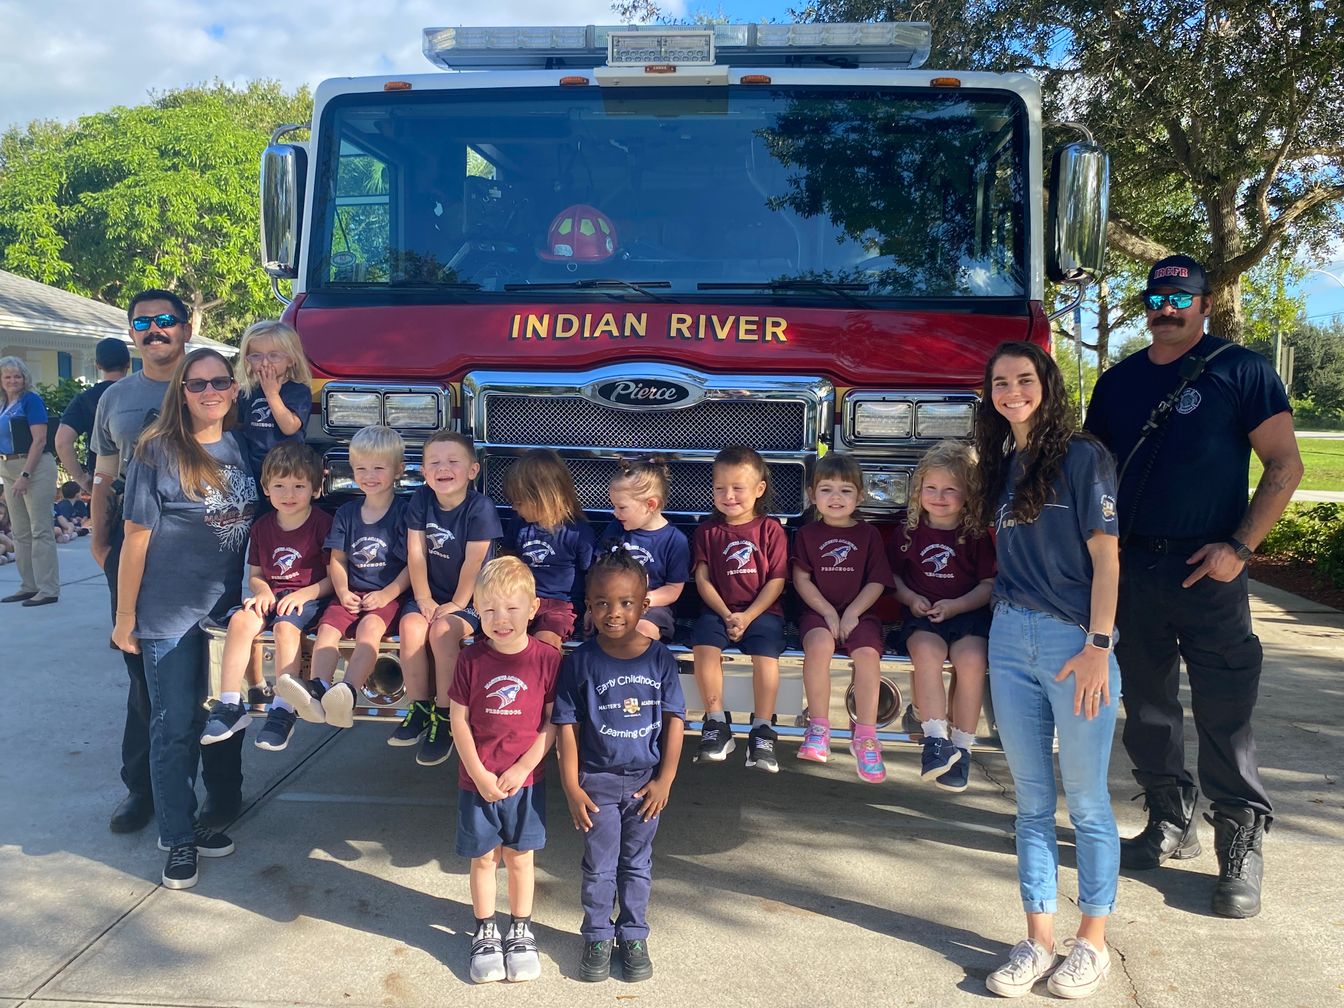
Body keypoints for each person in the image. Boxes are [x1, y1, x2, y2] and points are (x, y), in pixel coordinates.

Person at [1084, 254, 1303, 918]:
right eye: (1157, 296)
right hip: (1134, 571)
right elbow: (1091, 475)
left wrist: (1240, 549)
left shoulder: (1242, 371)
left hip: (1210, 571)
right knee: (1147, 707)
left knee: (1224, 712)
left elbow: (1285, 464)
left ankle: (1239, 843)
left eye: (1182, 297)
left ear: (1207, 303)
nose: (1168, 307)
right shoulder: (1117, 383)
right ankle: (1167, 821)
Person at [974, 341, 1121, 1000]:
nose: (1012, 392)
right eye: (1000, 383)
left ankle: (1092, 944)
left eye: (1024, 380)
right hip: (1009, 639)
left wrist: (1098, 646)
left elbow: (1108, 561)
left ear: (1047, 384)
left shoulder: (1083, 457)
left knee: (1087, 803)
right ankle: (1036, 939)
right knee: (1031, 804)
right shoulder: (1002, 464)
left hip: (1075, 646)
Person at [91, 289, 245, 834]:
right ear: (132, 332)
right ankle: (144, 792)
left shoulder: (229, 401)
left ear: (185, 326)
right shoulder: (115, 398)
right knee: (149, 688)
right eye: (143, 324)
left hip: (210, 569)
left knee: (222, 687)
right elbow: (104, 474)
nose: (155, 331)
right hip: (140, 554)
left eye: (165, 321)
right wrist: (98, 543)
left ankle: (221, 795)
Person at [111, 347, 258, 889]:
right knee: (174, 727)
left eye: (219, 381)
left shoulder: (241, 447)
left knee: (209, 720)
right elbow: (136, 539)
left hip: (222, 614)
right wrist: (125, 616)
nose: (209, 391)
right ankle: (176, 839)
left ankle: (190, 821)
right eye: (197, 384)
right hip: (169, 613)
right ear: (182, 392)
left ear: (233, 388)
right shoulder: (158, 451)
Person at [553, 549, 686, 982]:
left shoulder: (660, 659)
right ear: (588, 607)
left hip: (646, 784)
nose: (614, 613)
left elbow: (675, 721)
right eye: (603, 603)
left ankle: (632, 935)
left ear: (644, 606)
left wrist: (665, 779)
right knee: (599, 865)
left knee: (637, 863)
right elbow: (566, 726)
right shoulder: (581, 663)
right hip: (598, 784)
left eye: (626, 603)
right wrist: (572, 787)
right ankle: (595, 935)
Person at [447, 556, 561, 985]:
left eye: (512, 609)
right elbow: (458, 720)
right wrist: (477, 773)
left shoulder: (547, 660)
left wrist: (526, 766)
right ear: (477, 609)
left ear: (533, 609)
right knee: (482, 861)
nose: (501, 619)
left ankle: (520, 930)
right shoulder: (470, 660)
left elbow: (553, 722)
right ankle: (484, 932)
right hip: (478, 781)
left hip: (525, 782)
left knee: (519, 859)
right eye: (490, 609)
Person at [275, 425, 410, 733]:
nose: (369, 475)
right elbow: (337, 560)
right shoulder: (347, 512)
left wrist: (388, 594)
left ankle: (347, 691)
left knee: (369, 630)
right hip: (350, 593)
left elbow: (413, 565)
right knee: (326, 631)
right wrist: (343, 590)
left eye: (379, 467)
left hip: (386, 596)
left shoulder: (405, 512)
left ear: (398, 470)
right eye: (361, 468)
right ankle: (319, 689)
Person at [202, 443, 332, 752]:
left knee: (286, 628)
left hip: (309, 598)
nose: (289, 494)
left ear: (315, 489)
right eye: (280, 486)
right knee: (241, 620)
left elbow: (334, 579)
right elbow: (257, 574)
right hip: (274, 596)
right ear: (266, 488)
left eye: (299, 486)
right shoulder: (262, 527)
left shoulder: (323, 524)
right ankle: (231, 704)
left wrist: (304, 593)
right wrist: (261, 592)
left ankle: (282, 709)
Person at [888, 441, 995, 793]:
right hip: (923, 616)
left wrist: (957, 605)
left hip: (967, 615)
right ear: (918, 490)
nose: (939, 496)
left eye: (951, 489)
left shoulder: (977, 535)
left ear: (969, 494)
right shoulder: (908, 532)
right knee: (927, 654)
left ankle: (961, 746)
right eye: (931, 488)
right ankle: (935, 740)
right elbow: (893, 577)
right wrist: (910, 597)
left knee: (973, 661)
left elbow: (988, 584)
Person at [392, 431, 502, 766]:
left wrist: (456, 604)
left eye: (453, 461)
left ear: (472, 470)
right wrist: (423, 598)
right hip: (432, 594)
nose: (444, 468)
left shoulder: (480, 508)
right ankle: (419, 706)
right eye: (434, 463)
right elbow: (416, 552)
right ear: (423, 472)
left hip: (470, 599)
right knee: (410, 628)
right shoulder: (420, 500)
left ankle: (446, 715)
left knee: (442, 633)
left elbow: (474, 562)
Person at [792, 451, 895, 782]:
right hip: (818, 612)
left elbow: (877, 580)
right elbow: (801, 579)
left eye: (845, 490)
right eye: (826, 489)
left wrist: (851, 613)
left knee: (867, 655)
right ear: (812, 495)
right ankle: (819, 727)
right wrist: (826, 612)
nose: (835, 497)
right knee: (819, 646)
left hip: (860, 614)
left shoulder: (869, 536)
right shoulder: (806, 535)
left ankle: (865, 736)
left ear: (860, 496)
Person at [690, 445, 789, 772]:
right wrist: (725, 613)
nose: (728, 495)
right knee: (704, 648)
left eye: (738, 488)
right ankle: (716, 723)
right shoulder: (708, 530)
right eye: (720, 488)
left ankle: (762, 730)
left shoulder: (771, 529)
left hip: (762, 613)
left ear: (759, 489)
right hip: (720, 612)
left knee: (766, 659)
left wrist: (747, 616)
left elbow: (776, 581)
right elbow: (703, 579)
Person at [502, 448, 596, 650]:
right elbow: (508, 560)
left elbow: (592, 576)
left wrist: (592, 608)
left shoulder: (578, 532)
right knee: (499, 635)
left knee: (546, 641)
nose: (513, 508)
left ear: (544, 497)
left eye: (518, 502)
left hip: (560, 606)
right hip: (522, 600)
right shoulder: (519, 524)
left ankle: (545, 681)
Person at [600, 458, 690, 642]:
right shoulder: (615, 529)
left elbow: (673, 589)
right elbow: (599, 570)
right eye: (614, 506)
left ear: (650, 505)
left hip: (654, 607)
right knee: (610, 633)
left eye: (621, 507)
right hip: (613, 604)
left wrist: (643, 600)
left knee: (640, 632)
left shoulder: (674, 540)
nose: (614, 513)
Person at [0, 355, 60, 606]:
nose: (13, 380)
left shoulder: (31, 401)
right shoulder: (2, 403)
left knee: (40, 529)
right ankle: (28, 585)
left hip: (34, 467)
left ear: (25, 378)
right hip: (8, 466)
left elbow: (40, 440)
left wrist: (25, 474)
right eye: (7, 376)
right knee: (20, 531)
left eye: (17, 376)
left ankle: (48, 589)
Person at [233, 320, 313, 482]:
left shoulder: (298, 391)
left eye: (274, 355)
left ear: (291, 360)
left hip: (287, 470)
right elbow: (238, 425)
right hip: (253, 469)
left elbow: (290, 427)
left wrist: (271, 394)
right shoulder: (248, 391)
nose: (264, 363)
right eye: (256, 356)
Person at [56, 335, 131, 491]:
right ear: (128, 363)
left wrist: (81, 479)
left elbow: (62, 442)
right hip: (139, 476)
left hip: (103, 477)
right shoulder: (141, 393)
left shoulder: (85, 399)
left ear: (98, 365)